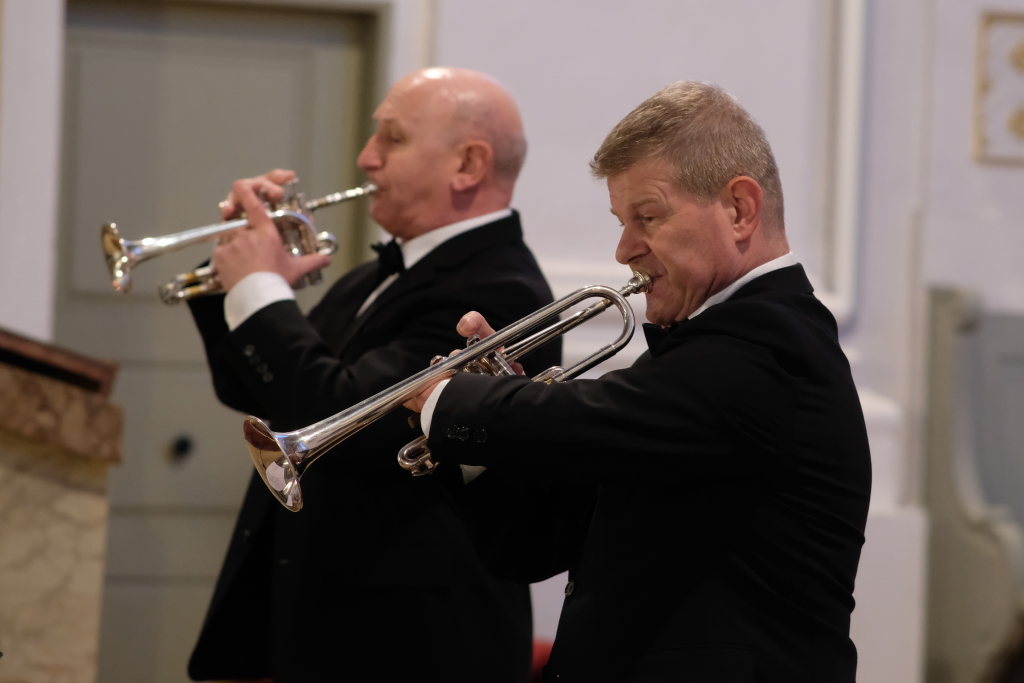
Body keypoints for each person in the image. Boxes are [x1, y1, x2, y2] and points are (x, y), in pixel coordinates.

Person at [407, 81, 872, 682]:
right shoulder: (693, 361)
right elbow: (531, 546)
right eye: (623, 221)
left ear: (739, 209)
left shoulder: (775, 343)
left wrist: (454, 401)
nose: (624, 249)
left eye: (647, 217)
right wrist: (479, 453)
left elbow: (590, 415)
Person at [185, 66, 559, 683]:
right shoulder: (375, 277)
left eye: (393, 138)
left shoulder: (499, 289)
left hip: (413, 642)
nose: (367, 157)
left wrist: (260, 288)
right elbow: (260, 393)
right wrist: (231, 273)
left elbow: (344, 417)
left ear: (468, 165)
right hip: (325, 620)